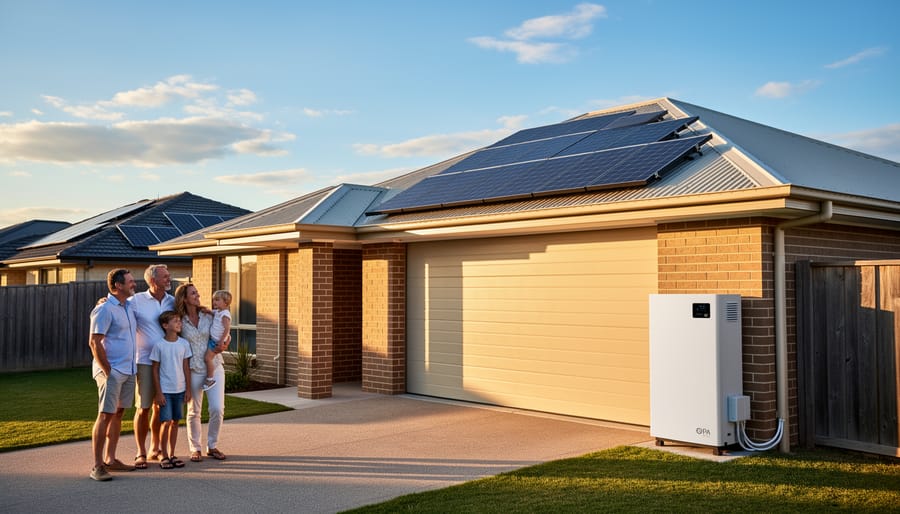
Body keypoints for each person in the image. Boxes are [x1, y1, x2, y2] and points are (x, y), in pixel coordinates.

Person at [88, 268, 138, 481]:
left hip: (129, 370)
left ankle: (111, 459)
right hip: (112, 371)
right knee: (105, 414)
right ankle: (97, 466)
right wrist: (108, 371)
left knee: (118, 414)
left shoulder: (128, 306)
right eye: (130, 281)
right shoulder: (104, 309)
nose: (134, 284)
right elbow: (94, 342)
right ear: (118, 285)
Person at [174, 283, 228, 462]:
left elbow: (225, 328)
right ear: (184, 298)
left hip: (214, 365)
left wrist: (226, 342)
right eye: (193, 293)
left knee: (217, 409)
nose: (198, 295)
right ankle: (195, 448)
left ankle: (212, 446)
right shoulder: (179, 321)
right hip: (193, 369)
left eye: (197, 292)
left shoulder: (208, 314)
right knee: (193, 411)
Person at [130, 264, 175, 469]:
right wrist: (101, 301)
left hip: (167, 362)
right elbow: (116, 306)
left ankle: (155, 448)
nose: (169, 279)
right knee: (143, 408)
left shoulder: (172, 301)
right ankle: (140, 451)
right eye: (165, 277)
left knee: (161, 406)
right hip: (146, 362)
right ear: (153, 280)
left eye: (169, 276)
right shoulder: (137, 301)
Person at [150, 310, 192, 469]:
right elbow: (155, 369)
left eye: (179, 321)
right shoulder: (159, 345)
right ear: (165, 325)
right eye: (175, 321)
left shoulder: (184, 344)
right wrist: (158, 392)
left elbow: (186, 368)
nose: (179, 323)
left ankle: (173, 454)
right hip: (165, 391)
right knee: (165, 422)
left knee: (175, 422)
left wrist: (188, 389)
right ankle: (164, 455)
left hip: (180, 390)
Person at [203, 290, 232, 391]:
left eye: (217, 300)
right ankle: (210, 377)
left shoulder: (225, 314)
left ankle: (210, 379)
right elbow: (210, 312)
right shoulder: (218, 312)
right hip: (215, 340)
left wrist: (221, 341)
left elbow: (227, 328)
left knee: (207, 359)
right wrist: (204, 310)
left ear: (225, 302)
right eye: (213, 300)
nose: (214, 302)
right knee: (208, 358)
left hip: (217, 341)